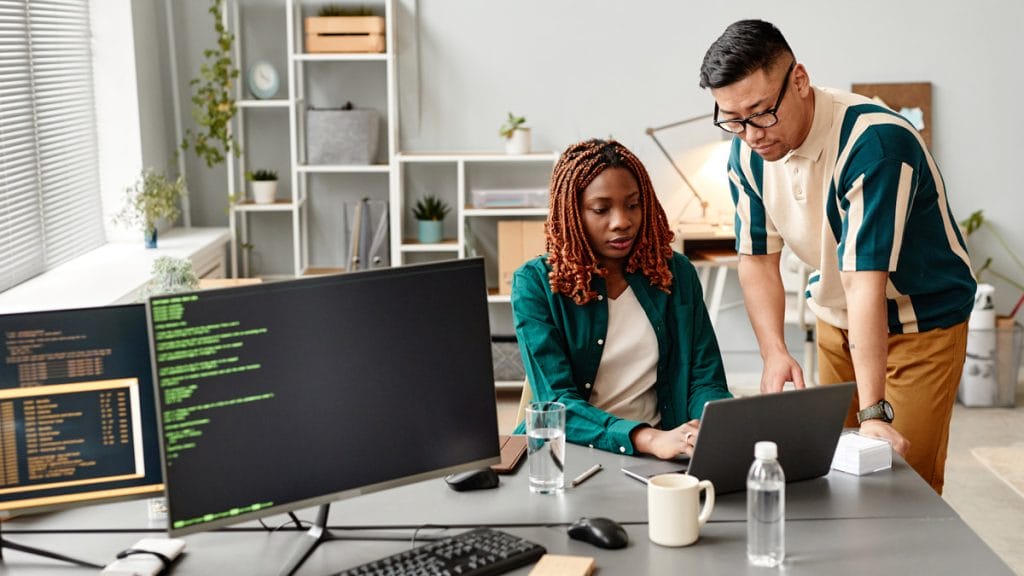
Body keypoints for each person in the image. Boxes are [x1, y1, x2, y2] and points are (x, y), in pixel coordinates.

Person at [699, 20, 975, 493]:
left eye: (761, 113)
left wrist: (874, 413)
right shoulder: (747, 155)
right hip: (838, 322)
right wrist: (774, 352)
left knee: (901, 483)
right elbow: (758, 259)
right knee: (829, 474)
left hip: (921, 323)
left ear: (799, 80)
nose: (750, 134)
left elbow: (863, 282)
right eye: (732, 119)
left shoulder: (876, 143)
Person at [511, 138, 732, 460]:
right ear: (573, 212)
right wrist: (647, 438)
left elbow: (705, 378)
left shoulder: (676, 274)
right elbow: (555, 401)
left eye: (633, 205)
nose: (622, 222)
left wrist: (713, 427)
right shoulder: (534, 284)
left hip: (664, 451)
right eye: (601, 209)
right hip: (569, 452)